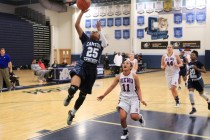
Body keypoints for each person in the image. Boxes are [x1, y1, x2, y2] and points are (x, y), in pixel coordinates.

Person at [63, 9, 108, 125]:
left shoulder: (101, 45)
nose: (94, 31)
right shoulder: (85, 39)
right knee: (73, 88)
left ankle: (72, 113)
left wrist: (100, 30)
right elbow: (76, 24)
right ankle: (69, 96)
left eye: (96, 32)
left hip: (92, 70)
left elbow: (106, 42)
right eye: (93, 31)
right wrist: (82, 12)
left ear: (98, 36)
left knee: (82, 96)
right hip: (82, 65)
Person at [97, 60, 147, 140]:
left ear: (130, 67)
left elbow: (138, 88)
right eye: (124, 63)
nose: (125, 64)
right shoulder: (119, 76)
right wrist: (104, 95)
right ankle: (125, 131)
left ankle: (140, 118)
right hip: (123, 98)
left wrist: (141, 99)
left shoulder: (134, 76)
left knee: (134, 117)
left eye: (127, 63)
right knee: (122, 117)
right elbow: (111, 86)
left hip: (134, 98)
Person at [187, 50, 210, 115]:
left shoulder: (199, 63)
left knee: (201, 94)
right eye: (191, 55)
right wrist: (187, 73)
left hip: (198, 81)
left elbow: (204, 71)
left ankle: (208, 100)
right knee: (190, 94)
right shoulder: (189, 63)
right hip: (191, 81)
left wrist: (197, 68)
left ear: (196, 56)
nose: (191, 56)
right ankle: (193, 108)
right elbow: (190, 71)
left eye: (193, 55)